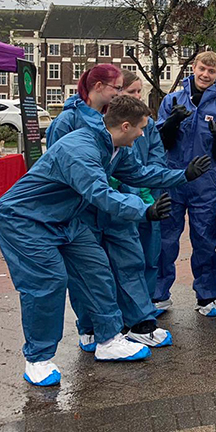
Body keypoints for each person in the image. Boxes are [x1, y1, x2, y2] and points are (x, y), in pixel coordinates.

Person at [0, 96, 205, 385]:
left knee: (97, 270)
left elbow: (140, 173)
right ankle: (38, 359)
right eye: (142, 128)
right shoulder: (80, 149)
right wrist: (144, 211)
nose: (144, 133)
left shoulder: (114, 146)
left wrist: (183, 175)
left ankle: (108, 341)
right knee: (48, 283)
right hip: (26, 220)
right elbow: (101, 194)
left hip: (66, 219)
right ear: (126, 125)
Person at [46, 66, 198, 351]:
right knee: (88, 273)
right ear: (99, 86)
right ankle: (91, 328)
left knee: (131, 263)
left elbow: (135, 170)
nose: (120, 93)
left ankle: (140, 324)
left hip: (117, 207)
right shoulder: (68, 122)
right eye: (117, 88)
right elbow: (65, 175)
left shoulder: (113, 123)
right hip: (83, 212)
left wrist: (182, 175)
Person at [156, 51, 216, 316]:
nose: (205, 75)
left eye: (211, 71)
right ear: (193, 68)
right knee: (166, 238)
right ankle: (158, 294)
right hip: (173, 177)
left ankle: (206, 295)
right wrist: (172, 122)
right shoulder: (172, 100)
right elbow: (160, 143)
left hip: (204, 182)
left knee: (204, 238)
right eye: (202, 69)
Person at [117, 70, 167, 314]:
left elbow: (157, 153)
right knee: (127, 258)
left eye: (139, 91)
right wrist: (135, 186)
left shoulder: (150, 124)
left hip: (150, 199)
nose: (138, 96)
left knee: (150, 254)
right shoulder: (112, 125)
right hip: (125, 201)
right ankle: (127, 310)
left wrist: (149, 180)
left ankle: (145, 306)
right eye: (131, 92)